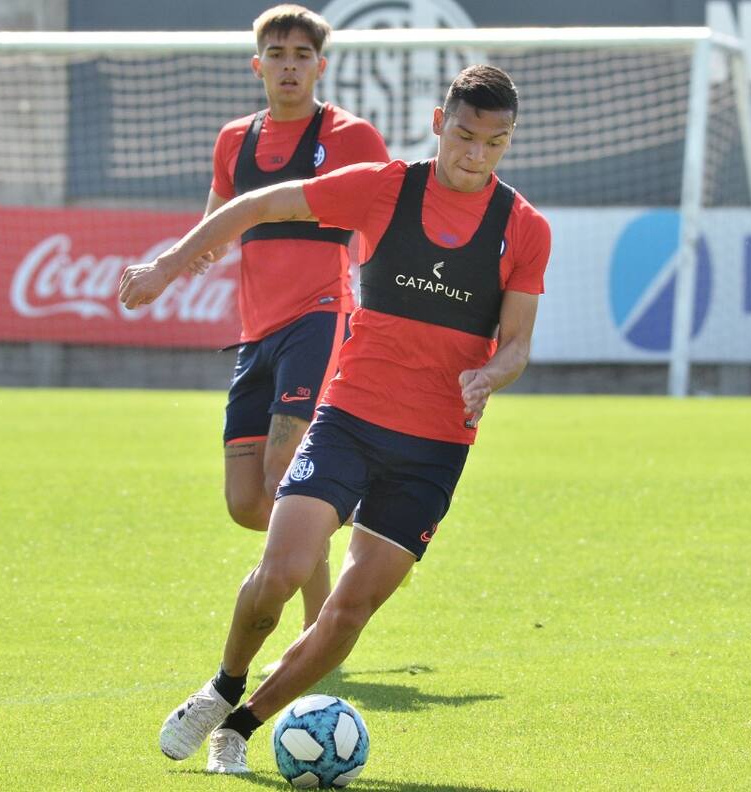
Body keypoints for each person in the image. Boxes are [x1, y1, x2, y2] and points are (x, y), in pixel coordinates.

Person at [121, 65, 550, 776]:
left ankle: (242, 725)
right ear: (440, 122)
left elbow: (518, 345)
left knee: (348, 613)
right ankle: (223, 683)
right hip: (349, 418)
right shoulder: (385, 187)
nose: (476, 155)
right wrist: (169, 264)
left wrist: (491, 374)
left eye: (495, 143)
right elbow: (257, 204)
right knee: (283, 569)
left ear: (510, 140)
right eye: (465, 136)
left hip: (435, 448)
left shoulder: (524, 228)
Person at [203, 4, 389, 639]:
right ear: (258, 66)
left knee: (286, 477)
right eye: (277, 55)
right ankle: (340, 515)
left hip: (321, 315)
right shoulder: (235, 141)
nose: (289, 67)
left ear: (321, 66)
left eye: (301, 56)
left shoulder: (351, 137)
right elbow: (217, 223)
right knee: (246, 503)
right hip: (257, 331)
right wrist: (181, 262)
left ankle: (318, 630)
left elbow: (384, 220)